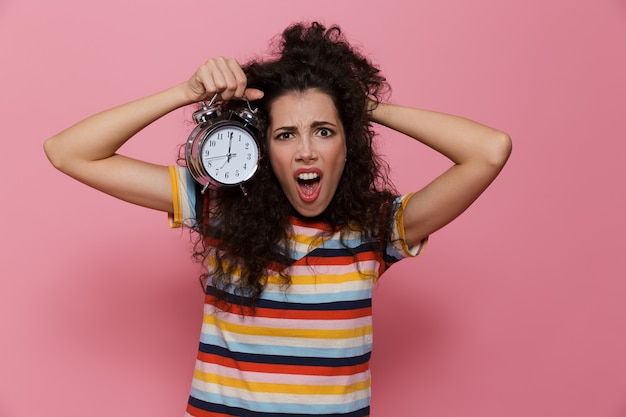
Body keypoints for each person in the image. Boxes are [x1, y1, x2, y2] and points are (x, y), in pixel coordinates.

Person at [44, 21, 511, 417]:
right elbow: (69, 152)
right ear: (264, 151)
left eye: (324, 131)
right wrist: (184, 92)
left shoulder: (377, 228)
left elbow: (489, 152)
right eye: (286, 134)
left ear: (349, 145)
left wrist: (360, 105)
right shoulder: (218, 208)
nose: (307, 150)